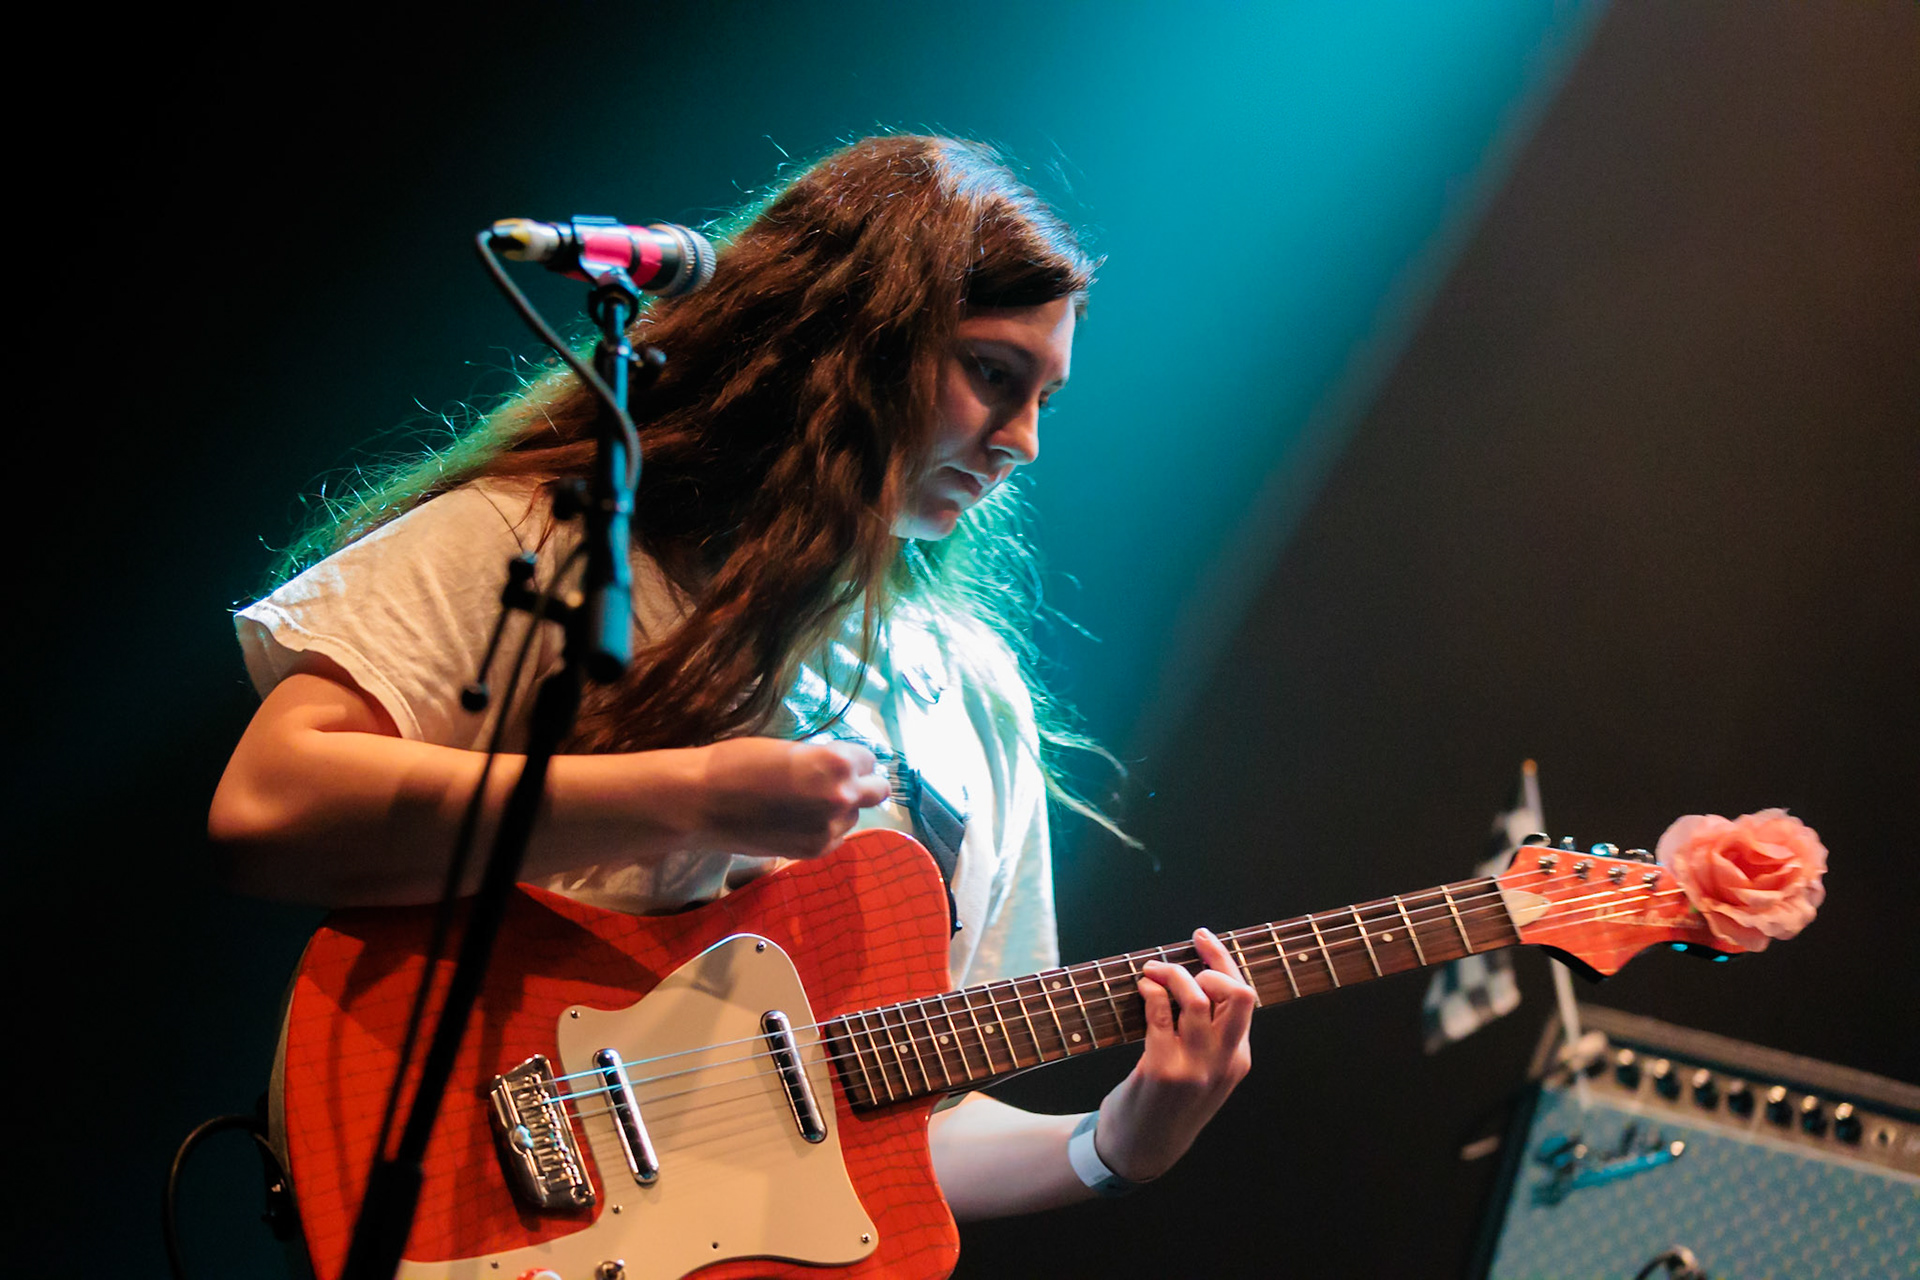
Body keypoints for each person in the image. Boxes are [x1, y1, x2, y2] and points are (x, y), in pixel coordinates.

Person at [209, 134, 1253, 1222]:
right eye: (992, 374)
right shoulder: (564, 542)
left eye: (1047, 397)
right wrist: (693, 795)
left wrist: (1109, 1143)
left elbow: (885, 1134)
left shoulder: (975, 693)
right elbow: (267, 803)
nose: (1024, 442)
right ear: (850, 339)